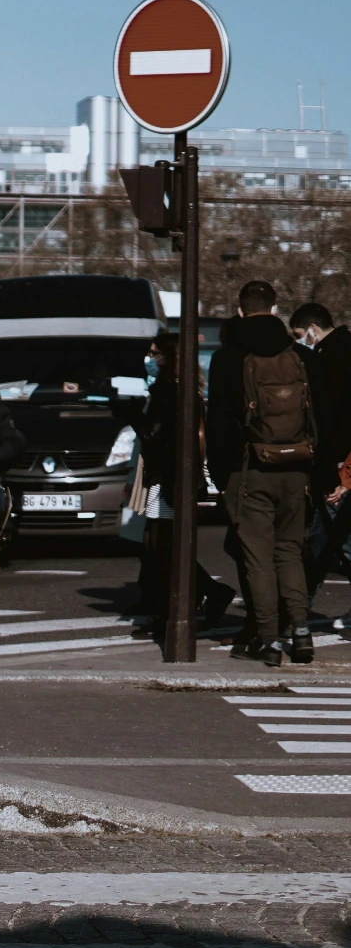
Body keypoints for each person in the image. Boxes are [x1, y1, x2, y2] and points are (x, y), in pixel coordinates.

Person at [208, 280, 315, 665]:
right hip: (296, 466)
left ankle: (268, 638)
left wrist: (222, 477)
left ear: (240, 311)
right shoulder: (299, 354)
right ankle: (301, 633)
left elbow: (218, 422)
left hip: (249, 467)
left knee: (257, 557)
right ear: (275, 308)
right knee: (290, 552)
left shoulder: (227, 358)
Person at [132, 331, 230, 640]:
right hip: (175, 476)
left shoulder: (167, 389)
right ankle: (198, 597)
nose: (151, 359)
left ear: (169, 356)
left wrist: (132, 415)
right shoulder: (188, 388)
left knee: (162, 546)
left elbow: (154, 436)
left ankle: (185, 605)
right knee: (163, 545)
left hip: (167, 476)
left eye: (155, 353)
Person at [290, 302, 351, 620]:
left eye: (300, 334)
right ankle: (300, 609)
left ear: (312, 330)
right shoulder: (342, 350)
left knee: (325, 541)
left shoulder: (329, 359)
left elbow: (331, 422)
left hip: (338, 466)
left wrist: (343, 476)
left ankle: (299, 611)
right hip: (341, 466)